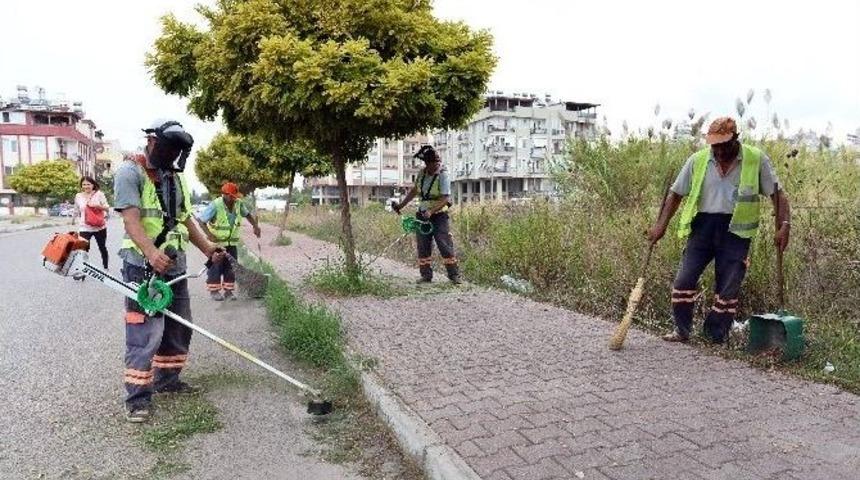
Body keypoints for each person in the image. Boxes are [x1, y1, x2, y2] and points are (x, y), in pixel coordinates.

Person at [113, 120, 223, 423]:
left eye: (177, 151)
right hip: (141, 265)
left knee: (179, 327)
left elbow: (185, 219)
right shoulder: (129, 173)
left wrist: (208, 248)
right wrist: (150, 252)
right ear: (152, 141)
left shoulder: (176, 176)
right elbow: (132, 221)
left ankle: (167, 381)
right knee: (145, 331)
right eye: (168, 148)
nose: (172, 155)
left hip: (176, 264)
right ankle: (137, 398)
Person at [647, 117, 791, 344]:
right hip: (703, 227)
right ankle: (682, 330)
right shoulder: (698, 160)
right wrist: (660, 227)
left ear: (736, 139)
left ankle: (716, 335)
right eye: (715, 145)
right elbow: (675, 194)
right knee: (684, 281)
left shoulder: (755, 159)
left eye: (724, 145)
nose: (719, 151)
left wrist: (785, 226)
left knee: (727, 288)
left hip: (736, 232)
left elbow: (778, 195)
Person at [392, 145, 461, 284]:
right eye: (432, 163)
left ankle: (454, 275)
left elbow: (445, 199)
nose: (435, 165)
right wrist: (401, 206)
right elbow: (414, 192)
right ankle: (426, 275)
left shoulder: (443, 175)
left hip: (439, 216)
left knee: (444, 243)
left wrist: (431, 211)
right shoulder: (422, 174)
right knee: (423, 245)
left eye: (437, 163)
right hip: (422, 215)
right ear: (427, 163)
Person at [195, 182, 261, 301]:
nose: (233, 198)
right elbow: (201, 221)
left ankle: (228, 292)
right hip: (218, 244)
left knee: (231, 267)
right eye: (230, 196)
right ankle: (214, 291)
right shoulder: (215, 205)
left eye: (234, 196)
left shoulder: (238, 204)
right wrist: (209, 235)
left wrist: (255, 226)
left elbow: (248, 215)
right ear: (224, 194)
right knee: (216, 266)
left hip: (232, 243)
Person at [73, 176, 110, 271]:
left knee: (102, 247)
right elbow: (77, 209)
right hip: (84, 227)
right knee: (82, 250)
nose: (86, 186)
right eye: (84, 184)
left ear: (93, 185)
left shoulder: (99, 194)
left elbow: (107, 207)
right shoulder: (78, 196)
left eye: (88, 184)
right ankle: (82, 270)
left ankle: (105, 268)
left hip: (99, 227)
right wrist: (73, 220)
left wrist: (98, 206)